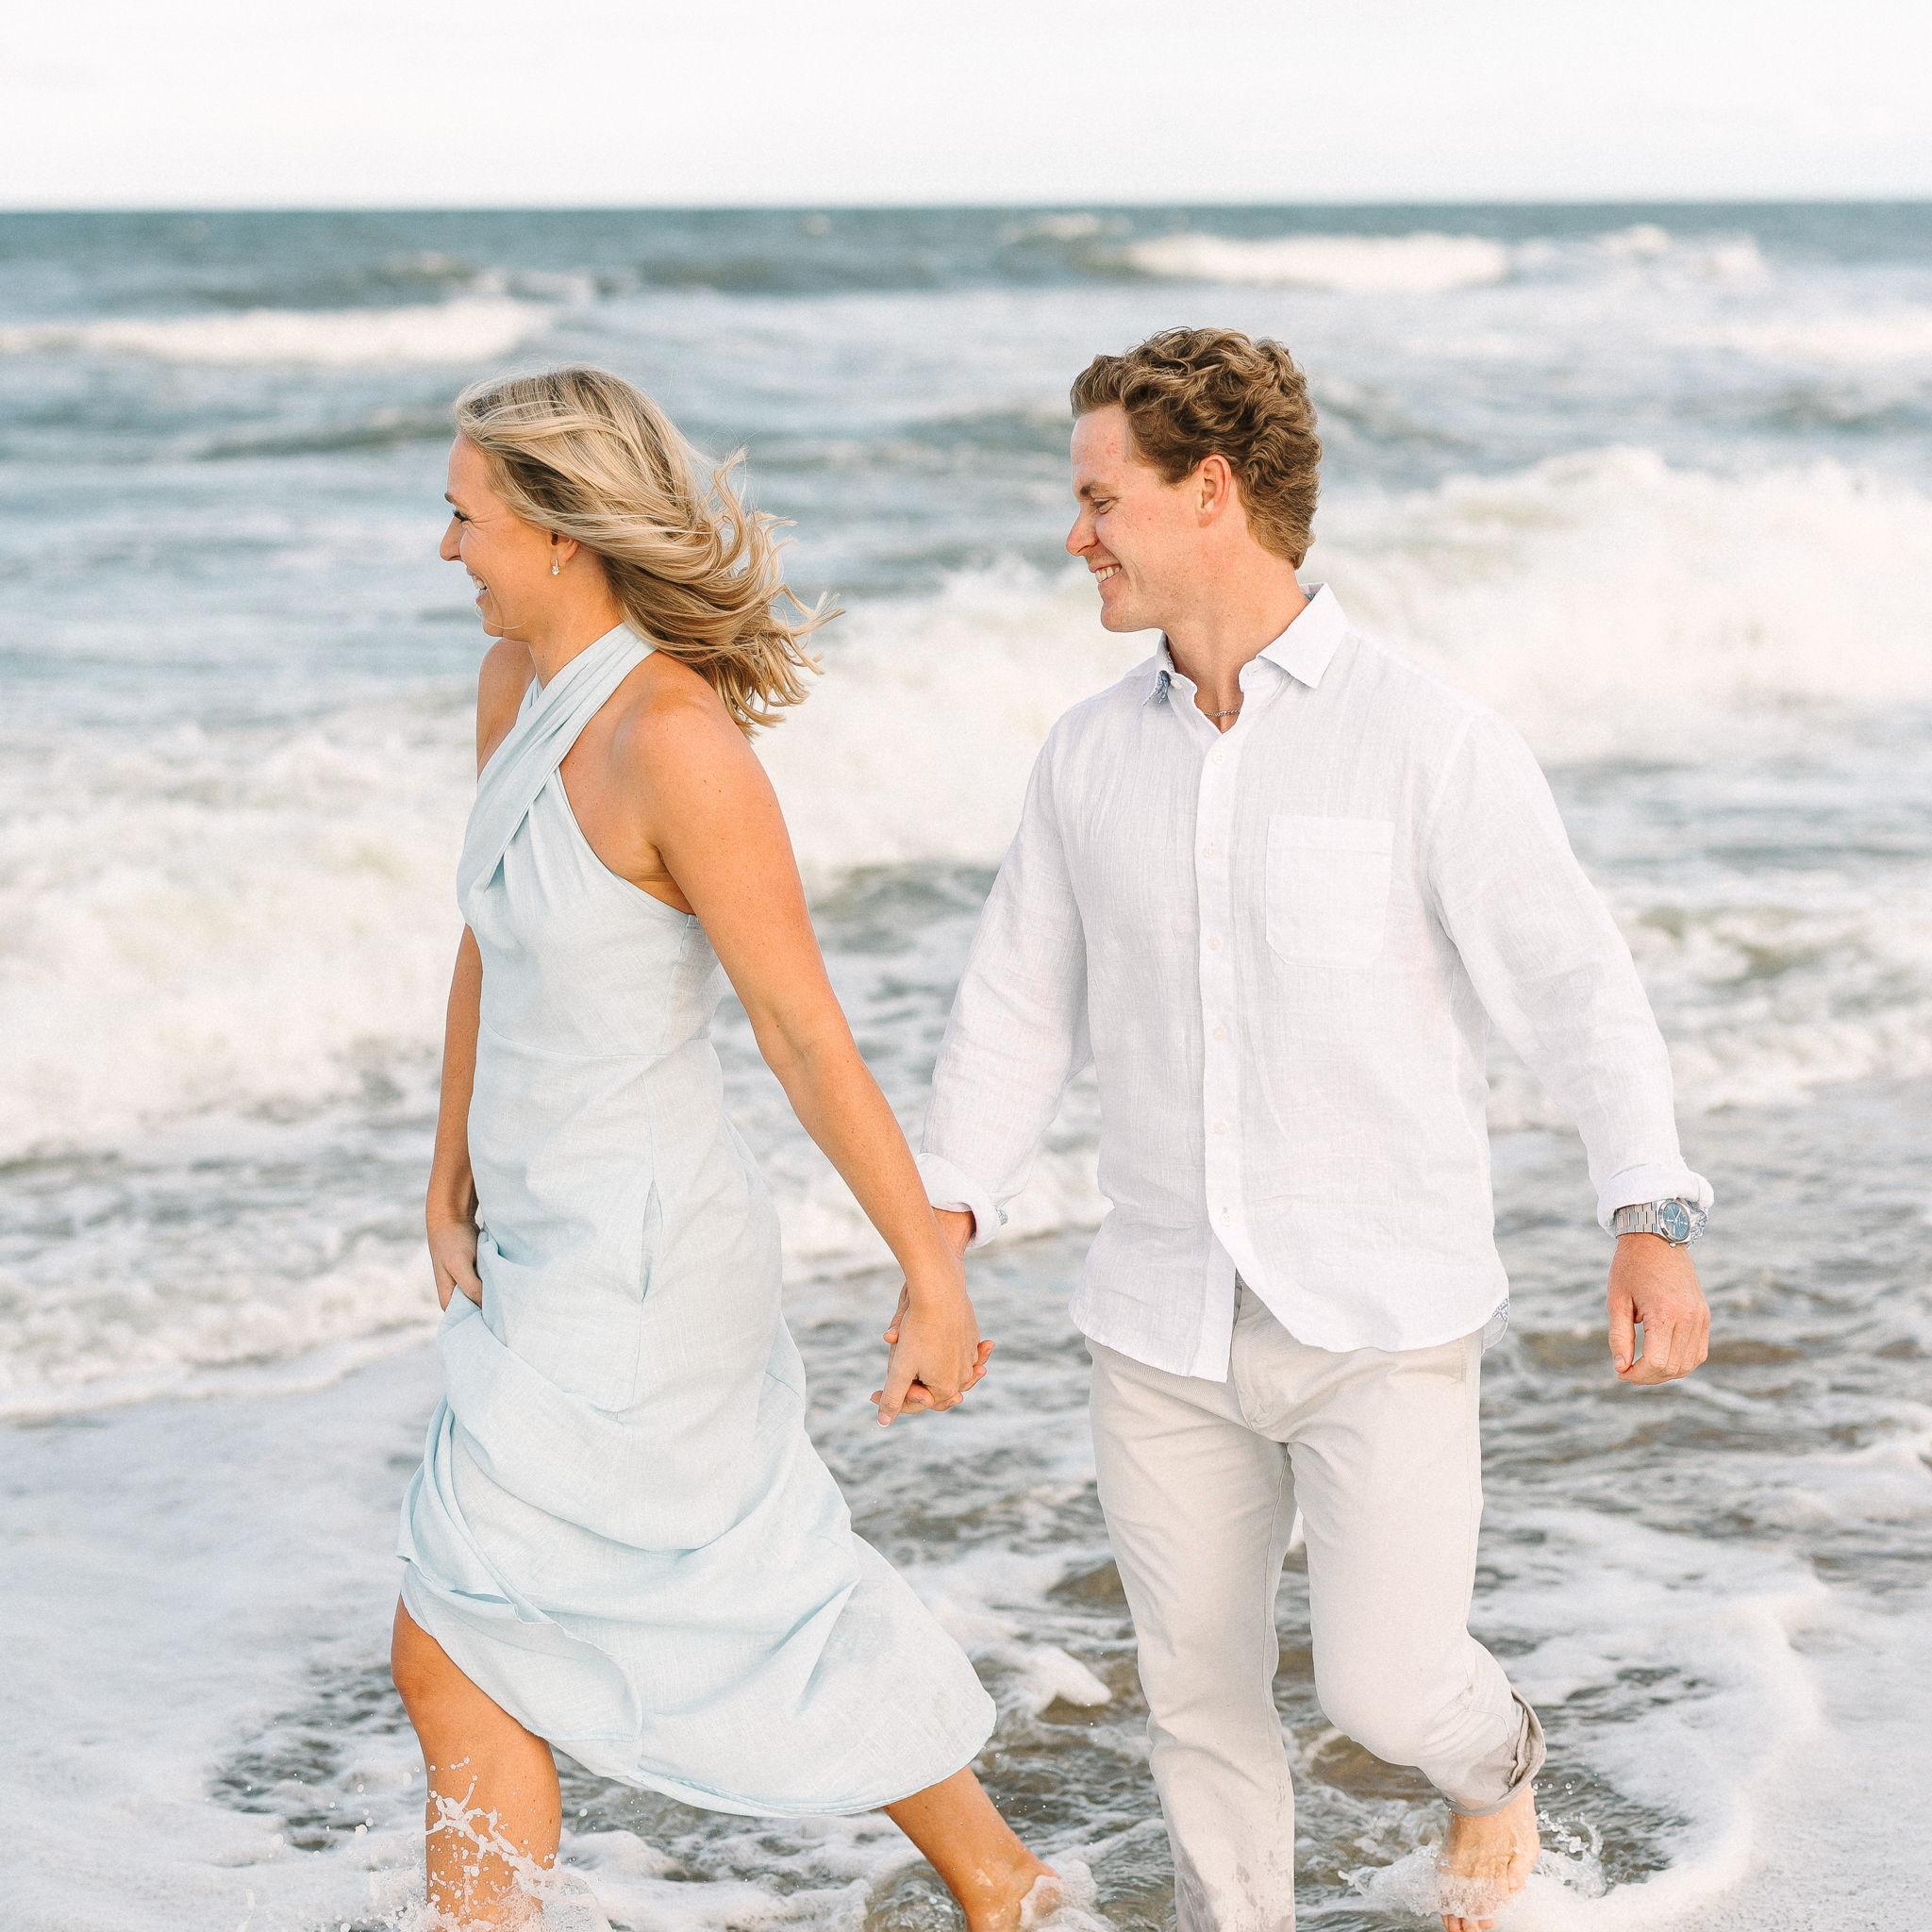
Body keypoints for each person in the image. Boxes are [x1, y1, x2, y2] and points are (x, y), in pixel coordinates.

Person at [899, 327, 1714, 1932]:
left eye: (1100, 499)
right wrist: (941, 1242)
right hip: (1160, 1318)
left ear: (1210, 491)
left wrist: (1649, 1217)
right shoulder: (1085, 755)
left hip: (1384, 1314)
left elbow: (1574, 987)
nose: (1076, 536)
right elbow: (1015, 1013)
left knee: (1388, 1692)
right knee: (1197, 1704)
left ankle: (1500, 1764)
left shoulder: (1427, 740)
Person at [391, 364, 1073, 1930]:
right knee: (658, 1602)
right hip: (539, 1241)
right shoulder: (513, 692)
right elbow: (489, 930)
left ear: (559, 530)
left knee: (472, 1636)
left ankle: (1004, 1879)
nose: (445, 548)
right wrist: (445, 1176)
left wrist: (932, 1276)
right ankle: (1004, 1882)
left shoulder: (675, 742)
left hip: (647, 1268)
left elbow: (804, 1032)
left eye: (464, 516)